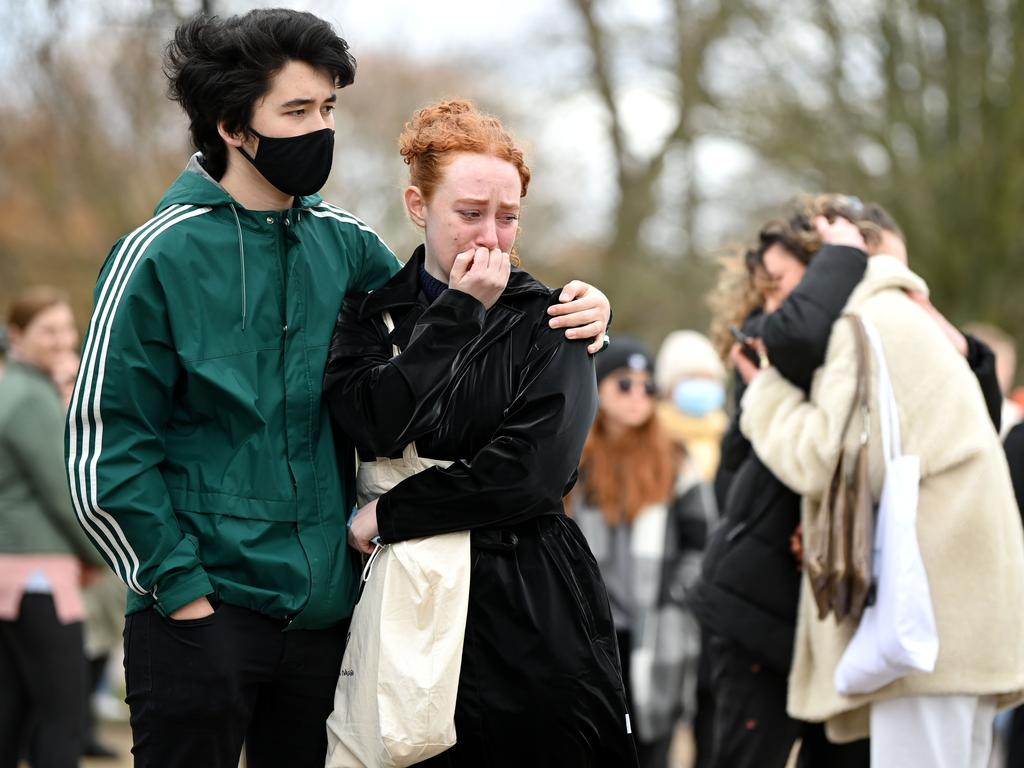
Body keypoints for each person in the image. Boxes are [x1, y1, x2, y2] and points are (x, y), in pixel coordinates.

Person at [64, 10, 612, 768]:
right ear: (231, 125)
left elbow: (443, 329)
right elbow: (106, 449)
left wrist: (582, 313)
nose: (321, 129)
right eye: (297, 111)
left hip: (329, 620)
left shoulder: (349, 246)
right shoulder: (156, 255)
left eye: (327, 109)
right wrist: (179, 589)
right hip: (200, 616)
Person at [323, 99, 637, 767]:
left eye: (508, 216)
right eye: (470, 214)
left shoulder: (554, 318)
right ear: (418, 205)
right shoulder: (369, 311)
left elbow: (533, 473)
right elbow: (374, 421)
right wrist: (460, 312)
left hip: (523, 595)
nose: (491, 237)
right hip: (395, 593)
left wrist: (396, 510)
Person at [733, 210, 1024, 766]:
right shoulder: (898, 314)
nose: (775, 308)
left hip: (927, 628)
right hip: (955, 618)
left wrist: (764, 394)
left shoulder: (868, 320)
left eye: (783, 283)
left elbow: (825, 461)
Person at [694, 206, 871, 768]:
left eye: (784, 287)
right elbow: (730, 483)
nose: (771, 307)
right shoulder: (766, 356)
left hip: (831, 618)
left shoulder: (841, 353)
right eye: (763, 290)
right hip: (756, 611)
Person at [567, 336, 712, 766]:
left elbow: (703, 542)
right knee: (593, 741)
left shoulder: (675, 458)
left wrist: (675, 595)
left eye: (648, 386)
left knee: (652, 746)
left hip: (656, 629)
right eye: (624, 384)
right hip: (592, 628)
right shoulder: (573, 458)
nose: (638, 396)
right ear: (599, 388)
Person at [0, 287, 104, 768]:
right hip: (36, 576)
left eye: (67, 328)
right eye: (49, 331)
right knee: (63, 712)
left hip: (14, 575)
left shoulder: (16, 389)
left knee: (14, 709)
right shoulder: (30, 399)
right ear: (16, 336)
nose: (63, 340)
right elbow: (65, 498)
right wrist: (105, 556)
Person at [654, 330, 728, 483]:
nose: (701, 386)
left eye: (708, 378)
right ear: (667, 387)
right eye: (691, 377)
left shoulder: (730, 438)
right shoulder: (650, 436)